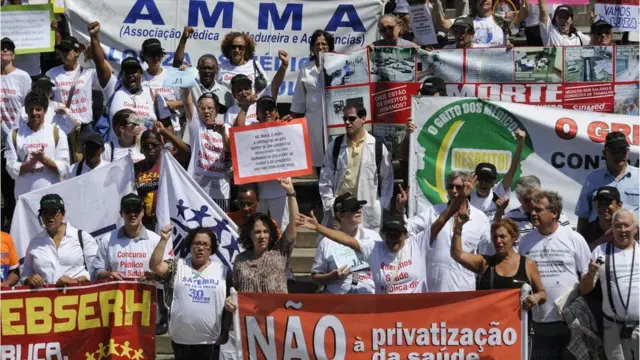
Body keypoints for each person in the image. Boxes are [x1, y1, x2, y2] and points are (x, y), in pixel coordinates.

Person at [298, 174, 474, 294]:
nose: (392, 237)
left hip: (415, 314)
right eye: (388, 233)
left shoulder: (417, 243)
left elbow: (442, 219)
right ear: (383, 234)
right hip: (385, 317)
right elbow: (345, 239)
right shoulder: (375, 248)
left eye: (397, 233)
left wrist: (460, 199)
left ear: (405, 233)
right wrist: (319, 228)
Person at [518, 190, 591, 360]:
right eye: (532, 210)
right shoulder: (525, 240)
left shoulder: (574, 238)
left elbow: (588, 275)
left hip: (570, 322)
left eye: (539, 209)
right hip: (538, 322)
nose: (533, 213)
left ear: (554, 213)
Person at [396, 172, 491, 292]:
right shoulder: (433, 212)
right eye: (450, 187)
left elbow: (485, 257)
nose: (454, 191)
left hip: (465, 290)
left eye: (459, 187)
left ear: (467, 189)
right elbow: (406, 229)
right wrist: (400, 210)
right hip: (434, 290)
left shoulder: (480, 218)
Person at [92, 193, 172, 334]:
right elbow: (96, 270)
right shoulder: (107, 240)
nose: (132, 214)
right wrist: (109, 274)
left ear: (142, 212)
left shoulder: (156, 240)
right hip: (115, 309)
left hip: (147, 310)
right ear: (121, 213)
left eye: (136, 210)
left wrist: (153, 276)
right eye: (128, 210)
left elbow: (168, 273)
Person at [150, 226, 232, 360]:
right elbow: (155, 266)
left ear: (211, 249)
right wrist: (164, 240)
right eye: (196, 243)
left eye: (205, 244)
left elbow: (229, 303)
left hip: (210, 341)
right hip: (181, 340)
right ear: (190, 246)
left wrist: (225, 331)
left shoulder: (223, 271)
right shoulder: (177, 265)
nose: (200, 248)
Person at [319, 104, 394, 232]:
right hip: (341, 209)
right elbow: (326, 178)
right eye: (345, 119)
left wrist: (382, 204)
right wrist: (330, 204)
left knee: (366, 248)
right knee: (339, 248)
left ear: (363, 119)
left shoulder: (377, 147)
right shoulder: (335, 146)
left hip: (368, 209)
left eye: (352, 119)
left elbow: (387, 178)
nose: (347, 122)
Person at [580, 209, 639, 360]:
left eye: (626, 225)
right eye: (618, 226)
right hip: (613, 328)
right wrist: (590, 274)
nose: (622, 230)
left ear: (636, 229)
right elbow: (585, 289)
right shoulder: (600, 251)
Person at [88, 21, 161, 141]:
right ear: (122, 75)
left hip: (145, 154)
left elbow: (154, 124)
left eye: (134, 71)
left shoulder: (150, 93)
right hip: (118, 153)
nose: (131, 75)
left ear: (141, 74)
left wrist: (138, 121)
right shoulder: (114, 87)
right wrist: (94, 37)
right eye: (127, 72)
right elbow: (100, 63)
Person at [451, 217, 546, 305]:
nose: (498, 241)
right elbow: (457, 255)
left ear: (514, 237)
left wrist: (535, 297)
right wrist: (458, 228)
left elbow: (542, 293)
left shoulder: (527, 264)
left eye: (502, 236)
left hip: (517, 321)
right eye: (494, 237)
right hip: (488, 321)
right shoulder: (484, 263)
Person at [227, 178, 299, 294]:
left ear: (271, 234)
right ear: (249, 235)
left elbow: (294, 223)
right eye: (257, 232)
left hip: (276, 310)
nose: (262, 236)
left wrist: (291, 193)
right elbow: (235, 291)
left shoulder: (280, 252)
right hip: (249, 311)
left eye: (266, 232)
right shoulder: (240, 260)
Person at [22, 194, 98, 287]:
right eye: (45, 213)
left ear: (63, 214)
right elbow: (25, 275)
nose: (49, 217)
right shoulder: (34, 243)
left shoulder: (82, 237)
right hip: (47, 299)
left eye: (53, 212)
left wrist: (75, 281)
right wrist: (29, 279)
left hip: (77, 297)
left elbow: (95, 271)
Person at [5, 90, 70, 199]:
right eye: (31, 109)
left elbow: (64, 167)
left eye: (38, 109)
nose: (34, 113)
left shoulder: (57, 133)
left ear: (45, 111)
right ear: (25, 110)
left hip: (51, 196)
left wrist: (43, 159)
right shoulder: (14, 135)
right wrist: (29, 164)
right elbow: (10, 167)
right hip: (24, 196)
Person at [311, 193, 375, 294]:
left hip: (369, 296)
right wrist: (332, 276)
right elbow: (315, 277)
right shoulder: (326, 242)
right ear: (340, 214)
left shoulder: (373, 236)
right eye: (353, 208)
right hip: (337, 298)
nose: (359, 210)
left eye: (359, 207)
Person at [576, 132, 639, 235]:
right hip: (598, 242)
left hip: (633, 242)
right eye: (614, 152)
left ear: (628, 152)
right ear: (605, 153)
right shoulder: (592, 179)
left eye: (622, 151)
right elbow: (583, 216)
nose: (619, 155)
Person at [290, 30, 334, 170]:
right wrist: (292, 118)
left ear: (330, 46)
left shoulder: (339, 64)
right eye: (317, 44)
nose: (320, 47)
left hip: (334, 120)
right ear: (312, 48)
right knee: (319, 161)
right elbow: (298, 98)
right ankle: (321, 191)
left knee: (336, 158)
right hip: (313, 121)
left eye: (324, 44)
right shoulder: (305, 69)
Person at [182, 90, 231, 211]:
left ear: (217, 109)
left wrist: (222, 133)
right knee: (198, 227)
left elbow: (229, 150)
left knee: (220, 227)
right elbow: (188, 103)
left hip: (221, 189)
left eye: (210, 108)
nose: (206, 111)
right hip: (198, 189)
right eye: (202, 108)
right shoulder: (196, 126)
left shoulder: (227, 127)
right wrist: (185, 80)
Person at [173, 27, 234, 121]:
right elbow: (176, 65)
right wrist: (184, 39)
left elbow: (231, 117)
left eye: (210, 68)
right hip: (192, 134)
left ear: (216, 70)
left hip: (216, 135)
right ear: (197, 69)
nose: (207, 71)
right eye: (203, 68)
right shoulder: (191, 85)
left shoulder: (226, 92)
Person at [1, 37, 31, 228]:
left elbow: (29, 107)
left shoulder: (23, 77)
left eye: (8, 48)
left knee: (15, 187)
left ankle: (15, 227)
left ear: (14, 53)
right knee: (3, 189)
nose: (4, 51)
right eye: (1, 48)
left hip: (16, 139)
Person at [46, 36, 100, 134]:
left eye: (67, 50)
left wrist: (93, 57)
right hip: (62, 125)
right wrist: (56, 106)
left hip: (84, 127)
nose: (63, 53)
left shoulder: (88, 73)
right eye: (61, 50)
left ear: (77, 52)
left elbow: (109, 74)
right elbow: (44, 98)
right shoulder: (51, 73)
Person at [471, 129, 526, 220]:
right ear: (475, 179)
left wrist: (521, 144)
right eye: (481, 178)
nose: (484, 183)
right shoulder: (466, 199)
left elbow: (512, 171)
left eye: (488, 179)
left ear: (494, 182)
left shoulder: (499, 192)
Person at [224, 50, 288, 127]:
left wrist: (284, 66)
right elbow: (232, 135)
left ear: (251, 89)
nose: (244, 92)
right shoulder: (231, 112)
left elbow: (275, 84)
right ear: (234, 95)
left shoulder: (261, 100)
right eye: (239, 90)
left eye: (246, 88)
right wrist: (245, 108)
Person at [504, 175, 571, 243]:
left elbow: (569, 241)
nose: (532, 203)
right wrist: (499, 211)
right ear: (519, 199)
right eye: (527, 200)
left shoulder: (557, 216)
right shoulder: (510, 218)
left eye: (535, 197)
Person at [430, 0, 525, 47]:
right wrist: (435, 4)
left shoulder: (503, 18)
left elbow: (523, 14)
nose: (484, 0)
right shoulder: (466, 19)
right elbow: (442, 23)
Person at [140, 38, 183, 136]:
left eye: (158, 54)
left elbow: (186, 102)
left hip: (172, 130)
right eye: (152, 54)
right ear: (145, 57)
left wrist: (174, 104)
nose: (156, 57)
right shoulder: (140, 78)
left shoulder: (171, 76)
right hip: (148, 131)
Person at [135, 130, 163, 230]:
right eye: (146, 145)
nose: (150, 147)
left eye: (154, 144)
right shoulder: (135, 168)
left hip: (163, 221)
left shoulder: (168, 166)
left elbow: (186, 152)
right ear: (141, 149)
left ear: (161, 145)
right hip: (142, 223)